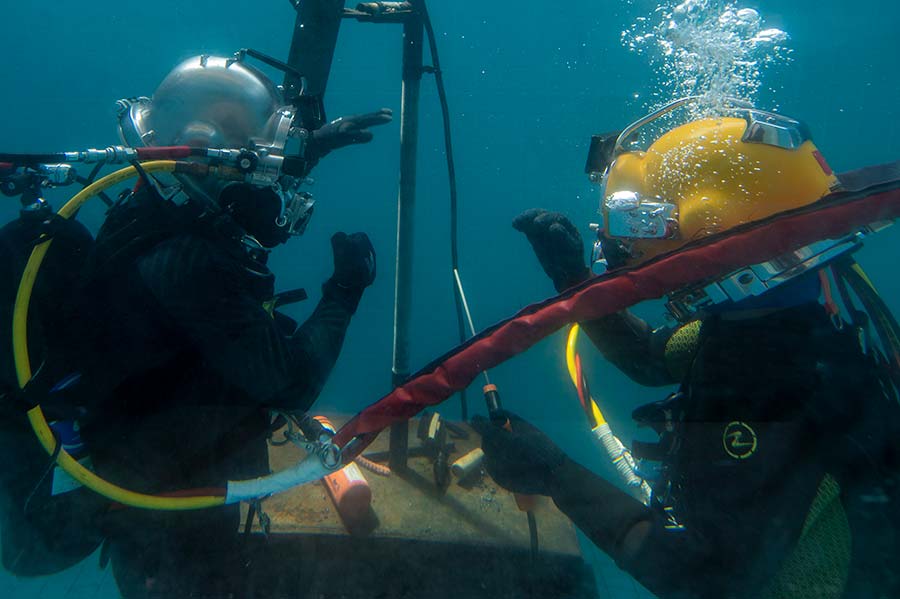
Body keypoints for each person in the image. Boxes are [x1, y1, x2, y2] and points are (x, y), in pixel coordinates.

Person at [473, 103, 900, 598]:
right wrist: (574, 281)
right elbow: (651, 359)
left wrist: (554, 474)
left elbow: (702, 579)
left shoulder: (776, 382)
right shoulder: (796, 316)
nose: (628, 249)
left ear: (713, 231)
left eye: (653, 225)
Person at [10, 55, 391, 596]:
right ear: (220, 166)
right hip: (171, 528)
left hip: (157, 479)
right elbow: (293, 383)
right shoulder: (191, 264)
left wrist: (305, 153)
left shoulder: (148, 205)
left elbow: (228, 179)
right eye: (258, 163)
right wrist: (345, 291)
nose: (270, 187)